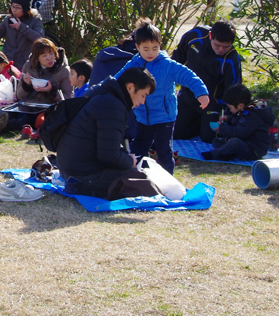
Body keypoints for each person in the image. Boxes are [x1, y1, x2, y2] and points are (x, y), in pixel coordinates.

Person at [113, 18, 210, 174]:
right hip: (143, 116)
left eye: (155, 48)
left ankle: (167, 180)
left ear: (160, 46)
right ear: (137, 47)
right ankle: (136, 175)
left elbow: (188, 76)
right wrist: (102, 88)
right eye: (146, 49)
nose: (150, 53)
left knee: (164, 149)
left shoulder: (167, 65)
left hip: (165, 116)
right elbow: (118, 79)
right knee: (139, 147)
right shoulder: (134, 63)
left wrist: (201, 93)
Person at [58, 67, 157, 199]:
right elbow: (108, 155)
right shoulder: (112, 106)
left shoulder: (102, 94)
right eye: (143, 95)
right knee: (142, 178)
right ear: (130, 88)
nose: (142, 102)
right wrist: (129, 161)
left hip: (69, 169)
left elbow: (108, 145)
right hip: (82, 175)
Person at [172, 21, 243, 141]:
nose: (221, 50)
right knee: (174, 133)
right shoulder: (195, 36)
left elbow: (234, 90)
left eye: (226, 46)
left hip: (212, 103)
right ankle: (197, 121)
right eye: (217, 45)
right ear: (210, 36)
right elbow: (176, 60)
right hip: (187, 97)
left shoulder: (231, 58)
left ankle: (204, 122)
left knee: (209, 137)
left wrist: (229, 115)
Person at [0, 38, 72, 136]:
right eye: (44, 56)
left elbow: (68, 99)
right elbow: (19, 95)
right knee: (8, 113)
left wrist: (51, 91)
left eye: (52, 54)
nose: (49, 58)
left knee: (23, 121)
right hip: (27, 105)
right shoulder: (29, 66)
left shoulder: (64, 70)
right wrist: (26, 85)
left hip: (47, 109)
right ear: (37, 58)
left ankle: (0, 128)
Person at [201, 84, 276, 161]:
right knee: (217, 142)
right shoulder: (245, 111)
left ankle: (214, 154)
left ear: (240, 106)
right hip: (246, 142)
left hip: (254, 149)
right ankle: (226, 154)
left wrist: (222, 128)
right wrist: (228, 119)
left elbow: (240, 132)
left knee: (234, 143)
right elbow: (239, 121)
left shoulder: (253, 115)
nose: (230, 110)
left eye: (230, 108)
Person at [0, 0, 45, 71]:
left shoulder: (35, 20)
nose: (14, 10)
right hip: (7, 62)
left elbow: (40, 38)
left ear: (25, 9)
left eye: (18, 8)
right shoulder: (8, 19)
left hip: (25, 63)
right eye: (13, 6)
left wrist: (21, 27)